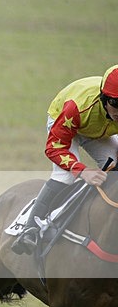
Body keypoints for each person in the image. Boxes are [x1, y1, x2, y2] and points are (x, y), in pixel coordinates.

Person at [11, 64, 118, 255]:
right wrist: (82, 170)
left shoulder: (112, 110)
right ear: (104, 99)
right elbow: (54, 147)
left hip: (101, 128)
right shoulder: (76, 108)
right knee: (66, 176)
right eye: (116, 104)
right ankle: (30, 228)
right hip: (67, 122)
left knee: (115, 164)